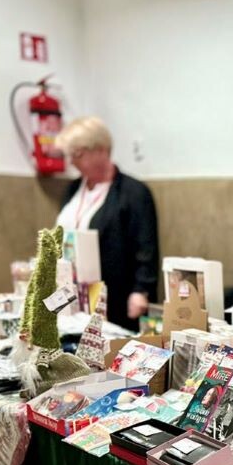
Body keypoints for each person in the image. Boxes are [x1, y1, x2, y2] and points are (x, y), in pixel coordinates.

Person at [55, 116, 159, 330]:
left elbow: (146, 247)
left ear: (101, 150)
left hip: (115, 296)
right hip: (72, 293)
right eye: (70, 155)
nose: (72, 162)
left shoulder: (133, 193)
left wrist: (141, 290)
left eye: (78, 154)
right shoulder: (73, 189)